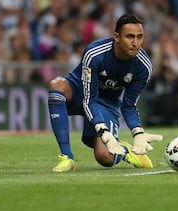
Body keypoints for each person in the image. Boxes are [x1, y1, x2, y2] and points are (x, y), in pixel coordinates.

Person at [47, 14, 163, 172]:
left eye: (139, 37)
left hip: (106, 104)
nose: (135, 43)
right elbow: (89, 100)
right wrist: (101, 129)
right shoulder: (94, 54)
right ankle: (67, 157)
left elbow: (129, 105)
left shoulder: (143, 66)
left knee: (104, 157)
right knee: (57, 86)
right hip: (80, 90)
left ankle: (126, 151)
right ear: (117, 36)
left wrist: (138, 132)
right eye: (130, 37)